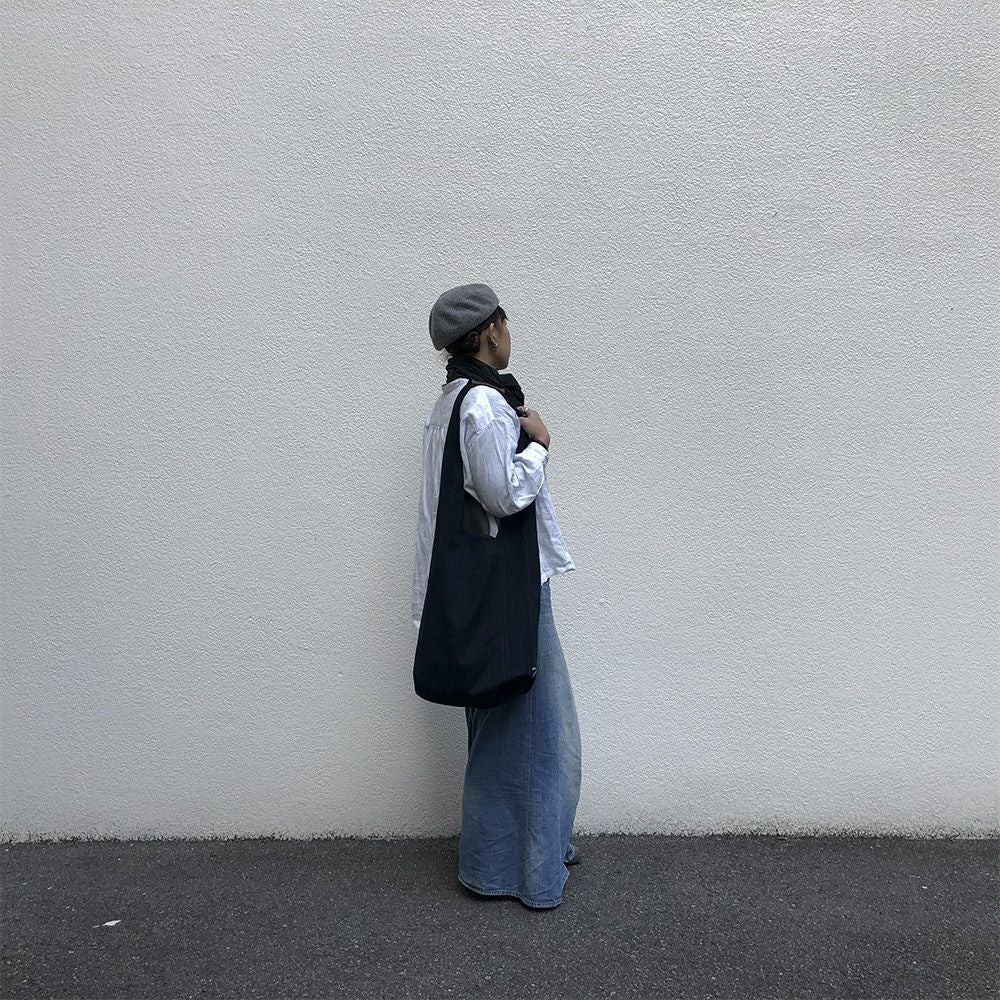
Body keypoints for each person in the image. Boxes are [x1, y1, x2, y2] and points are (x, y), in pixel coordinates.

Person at [411, 282, 582, 909]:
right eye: (505, 325)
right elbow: (501, 494)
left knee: (509, 728)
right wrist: (539, 445)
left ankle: (505, 860)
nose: (510, 336)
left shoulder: (450, 400)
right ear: (489, 330)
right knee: (533, 732)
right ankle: (525, 873)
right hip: (508, 591)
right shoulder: (483, 403)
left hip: (484, 591)